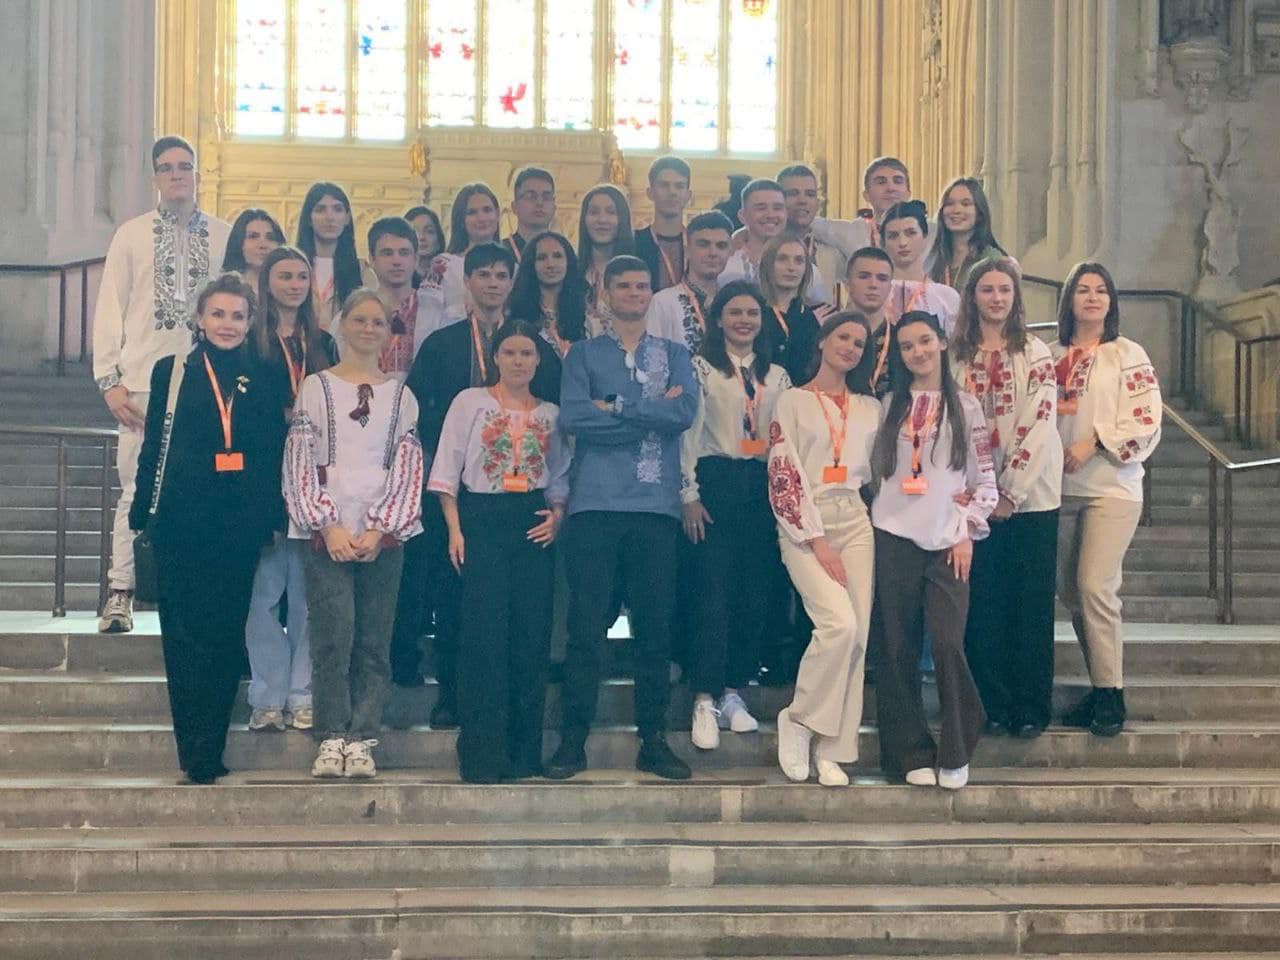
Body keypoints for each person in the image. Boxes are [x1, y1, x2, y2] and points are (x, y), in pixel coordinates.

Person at [545, 255, 698, 781]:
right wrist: (647, 412)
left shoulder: (675, 355)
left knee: (655, 631)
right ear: (605, 294)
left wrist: (614, 407)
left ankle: (653, 740)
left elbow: (683, 414)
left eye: (642, 285)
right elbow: (575, 418)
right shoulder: (584, 354)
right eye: (624, 286)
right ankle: (572, 742)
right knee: (585, 630)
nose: (634, 293)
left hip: (655, 508)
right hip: (594, 505)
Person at [128, 273, 286, 783]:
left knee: (223, 637)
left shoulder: (265, 373)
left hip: (237, 528)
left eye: (238, 315)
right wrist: (141, 511)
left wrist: (271, 516)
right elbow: (155, 445)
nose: (227, 324)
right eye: (217, 314)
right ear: (199, 318)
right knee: (182, 639)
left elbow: (272, 451)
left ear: (251, 321)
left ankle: (210, 749)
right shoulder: (172, 371)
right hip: (180, 523)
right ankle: (190, 749)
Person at [403, 244, 560, 712]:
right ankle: (452, 695)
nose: (492, 283)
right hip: (459, 491)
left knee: (518, 612)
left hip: (522, 494)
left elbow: (555, 418)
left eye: (501, 275)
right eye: (484, 275)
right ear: (467, 281)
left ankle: (510, 702)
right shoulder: (443, 343)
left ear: (512, 283)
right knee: (455, 597)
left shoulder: (536, 346)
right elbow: (417, 410)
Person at [93, 135, 232, 634]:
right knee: (136, 486)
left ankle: (200, 595)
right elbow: (110, 305)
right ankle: (120, 592)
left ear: (197, 174)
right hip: (141, 381)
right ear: (154, 177)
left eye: (185, 166)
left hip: (206, 381)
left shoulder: (223, 235)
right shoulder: (131, 235)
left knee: (207, 485)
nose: (177, 175)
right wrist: (110, 381)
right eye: (167, 167)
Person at [284, 289, 424, 780]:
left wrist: (382, 527)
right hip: (329, 533)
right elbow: (300, 459)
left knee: (373, 640)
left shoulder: (401, 396)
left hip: (381, 536)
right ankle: (331, 734)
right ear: (342, 326)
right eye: (359, 320)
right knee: (333, 636)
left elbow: (408, 466)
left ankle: (363, 736)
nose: (368, 329)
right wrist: (327, 523)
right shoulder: (316, 387)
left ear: (388, 332)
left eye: (377, 322)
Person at [427, 321, 572, 782]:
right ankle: (483, 756)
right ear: (495, 357)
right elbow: (447, 470)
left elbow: (560, 474)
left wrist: (557, 516)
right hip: (481, 521)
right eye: (509, 352)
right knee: (484, 638)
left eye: (526, 353)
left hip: (532, 522)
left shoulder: (551, 413)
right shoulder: (470, 402)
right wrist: (455, 531)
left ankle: (525, 754)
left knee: (530, 638)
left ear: (538, 360)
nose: (518, 361)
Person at [870, 311, 997, 790]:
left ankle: (957, 747)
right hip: (893, 537)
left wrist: (966, 531)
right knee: (895, 647)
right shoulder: (888, 405)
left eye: (924, 341)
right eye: (907, 346)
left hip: (948, 542)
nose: (917, 352)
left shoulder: (966, 406)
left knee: (946, 643)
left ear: (942, 342)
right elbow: (873, 473)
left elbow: (985, 480)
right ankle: (908, 753)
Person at [951, 259, 1063, 738]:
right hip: (973, 498)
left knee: (1030, 603)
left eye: (1004, 290)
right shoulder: (956, 355)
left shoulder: (1035, 351)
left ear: (1016, 296)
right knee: (983, 605)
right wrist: (976, 491)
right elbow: (951, 422)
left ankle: (1030, 706)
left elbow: (1039, 420)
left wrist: (1011, 491)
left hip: (1031, 497)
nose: (996, 298)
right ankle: (989, 704)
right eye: (987, 289)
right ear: (972, 296)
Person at [768, 312, 879, 787]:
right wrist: (815, 539)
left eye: (859, 343)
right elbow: (782, 472)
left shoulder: (870, 407)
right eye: (843, 337)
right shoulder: (792, 400)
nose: (850, 347)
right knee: (839, 625)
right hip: (803, 521)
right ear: (822, 341)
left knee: (858, 638)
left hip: (854, 518)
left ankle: (834, 750)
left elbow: (883, 470)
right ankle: (799, 719)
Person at [1052, 262, 1162, 738]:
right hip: (1057, 491)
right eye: (1083, 289)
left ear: (1111, 301)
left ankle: (1112, 695)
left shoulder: (1127, 353)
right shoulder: (1049, 354)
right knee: (1072, 592)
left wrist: (1094, 442)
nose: (1093, 297)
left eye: (1101, 290)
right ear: (1069, 300)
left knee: (1095, 584)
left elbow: (1146, 417)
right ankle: (1100, 688)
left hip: (1111, 488)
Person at [681, 282, 791, 751]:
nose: (744, 320)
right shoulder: (701, 368)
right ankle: (704, 695)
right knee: (711, 590)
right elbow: (688, 434)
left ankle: (733, 690)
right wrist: (688, 493)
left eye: (752, 313)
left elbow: (784, 439)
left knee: (752, 592)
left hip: (760, 486)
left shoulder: (778, 376)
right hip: (715, 482)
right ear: (718, 319)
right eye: (735, 312)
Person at [242, 246, 341, 734]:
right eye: (285, 275)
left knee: (307, 598)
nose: (295, 284)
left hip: (314, 479)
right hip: (264, 477)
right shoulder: (250, 342)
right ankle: (267, 694)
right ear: (267, 282)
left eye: (302, 276)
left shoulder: (324, 343)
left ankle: (303, 693)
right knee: (262, 596)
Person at [808, 157, 929, 277]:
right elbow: (807, 222)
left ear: (908, 193)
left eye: (898, 181)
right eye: (881, 182)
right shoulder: (851, 232)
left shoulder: (931, 231)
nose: (891, 188)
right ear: (866, 195)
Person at [417, 182, 502, 342]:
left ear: (497, 214)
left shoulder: (513, 268)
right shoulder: (443, 265)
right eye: (472, 212)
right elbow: (426, 322)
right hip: (452, 347)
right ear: (461, 220)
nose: (481, 218)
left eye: (487, 210)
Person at [644, 211, 734, 354]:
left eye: (721, 246)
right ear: (687, 250)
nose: (713, 253)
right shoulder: (663, 302)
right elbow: (652, 359)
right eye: (703, 245)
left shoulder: (734, 302)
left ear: (730, 252)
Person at [881, 201, 961, 336]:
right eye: (893, 236)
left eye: (911, 233)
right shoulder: (873, 291)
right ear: (883, 242)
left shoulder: (946, 296)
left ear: (925, 237)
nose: (902, 243)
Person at [759, 233, 827, 385]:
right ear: (768, 265)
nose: (791, 267)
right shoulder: (754, 312)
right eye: (782, 259)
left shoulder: (817, 315)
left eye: (799, 260)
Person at [296, 182, 366, 332]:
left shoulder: (363, 271)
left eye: (337, 209)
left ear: (347, 218)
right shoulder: (293, 265)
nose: (330, 217)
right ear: (308, 219)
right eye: (320, 209)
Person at [507, 231, 589, 359]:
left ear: (569, 262)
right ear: (531, 264)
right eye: (541, 258)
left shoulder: (586, 313)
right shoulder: (515, 313)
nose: (550, 264)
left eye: (557, 256)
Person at [778, 164, 845, 306]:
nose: (802, 201)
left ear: (817, 203)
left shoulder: (830, 254)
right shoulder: (762, 248)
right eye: (793, 193)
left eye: (810, 194)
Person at [929, 177, 1009, 291]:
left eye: (965, 204)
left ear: (979, 213)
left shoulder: (991, 259)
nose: (956, 210)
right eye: (949, 203)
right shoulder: (933, 256)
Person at [577, 184, 636, 337]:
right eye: (594, 212)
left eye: (611, 212)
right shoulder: (572, 273)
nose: (602, 220)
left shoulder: (637, 272)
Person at [365, 217, 421, 376]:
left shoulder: (436, 314)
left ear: (416, 259)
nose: (396, 261)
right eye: (387, 253)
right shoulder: (354, 313)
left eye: (404, 253)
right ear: (372, 260)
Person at [843, 247, 897, 399]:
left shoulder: (901, 338)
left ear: (890, 288)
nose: (873, 284)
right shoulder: (830, 336)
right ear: (847, 284)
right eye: (864, 276)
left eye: (882, 278)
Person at [635, 156, 692, 291]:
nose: (672, 192)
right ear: (650, 193)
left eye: (679, 186)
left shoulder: (697, 242)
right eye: (664, 185)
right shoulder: (634, 242)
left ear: (688, 195)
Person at [221, 209, 285, 293]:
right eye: (253, 237)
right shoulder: (223, 289)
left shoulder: (290, 288)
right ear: (238, 242)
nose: (263, 245)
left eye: (270, 237)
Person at [506, 167, 558, 263]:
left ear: (554, 207)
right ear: (514, 207)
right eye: (530, 196)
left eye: (546, 197)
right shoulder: (499, 252)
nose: (539, 203)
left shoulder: (564, 254)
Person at [405, 205, 446, 287]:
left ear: (439, 240)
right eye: (414, 232)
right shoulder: (396, 278)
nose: (421, 237)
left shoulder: (450, 276)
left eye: (429, 231)